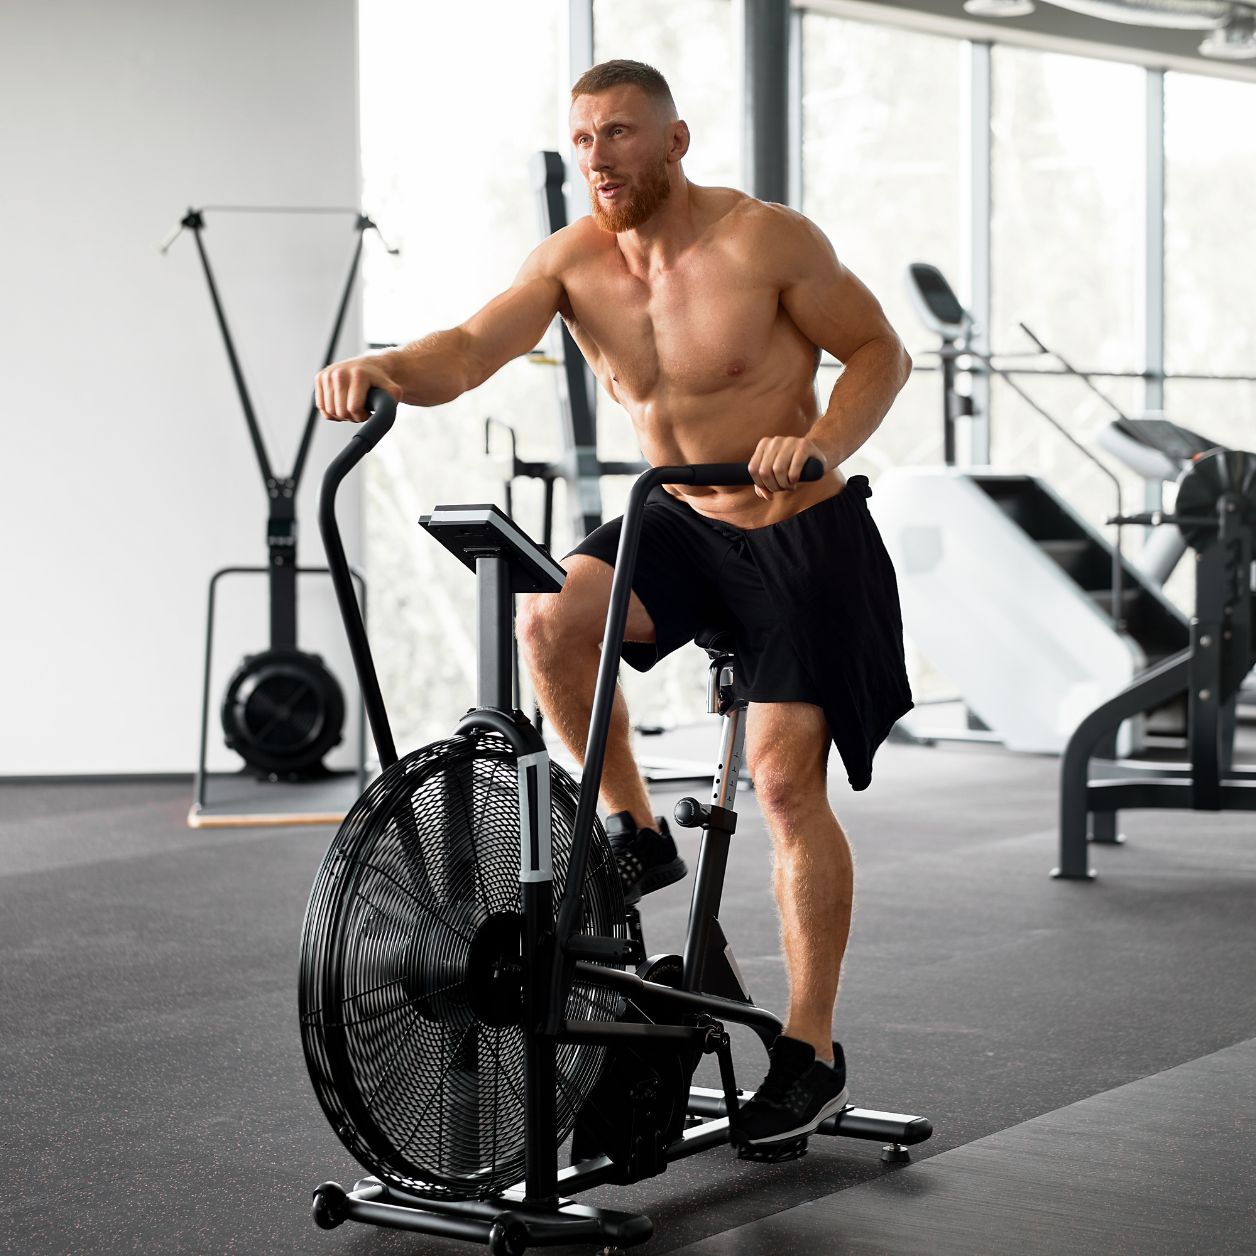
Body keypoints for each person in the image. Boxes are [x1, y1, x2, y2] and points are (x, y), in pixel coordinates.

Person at [315, 58, 913, 1153]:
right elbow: (467, 348)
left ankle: (810, 1047)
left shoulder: (761, 239)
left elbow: (881, 348)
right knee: (545, 619)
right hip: (676, 519)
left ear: (674, 142)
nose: (598, 156)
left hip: (797, 530)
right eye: (584, 136)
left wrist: (821, 438)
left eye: (621, 133)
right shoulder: (571, 264)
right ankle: (635, 829)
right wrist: (385, 365)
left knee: (781, 783)